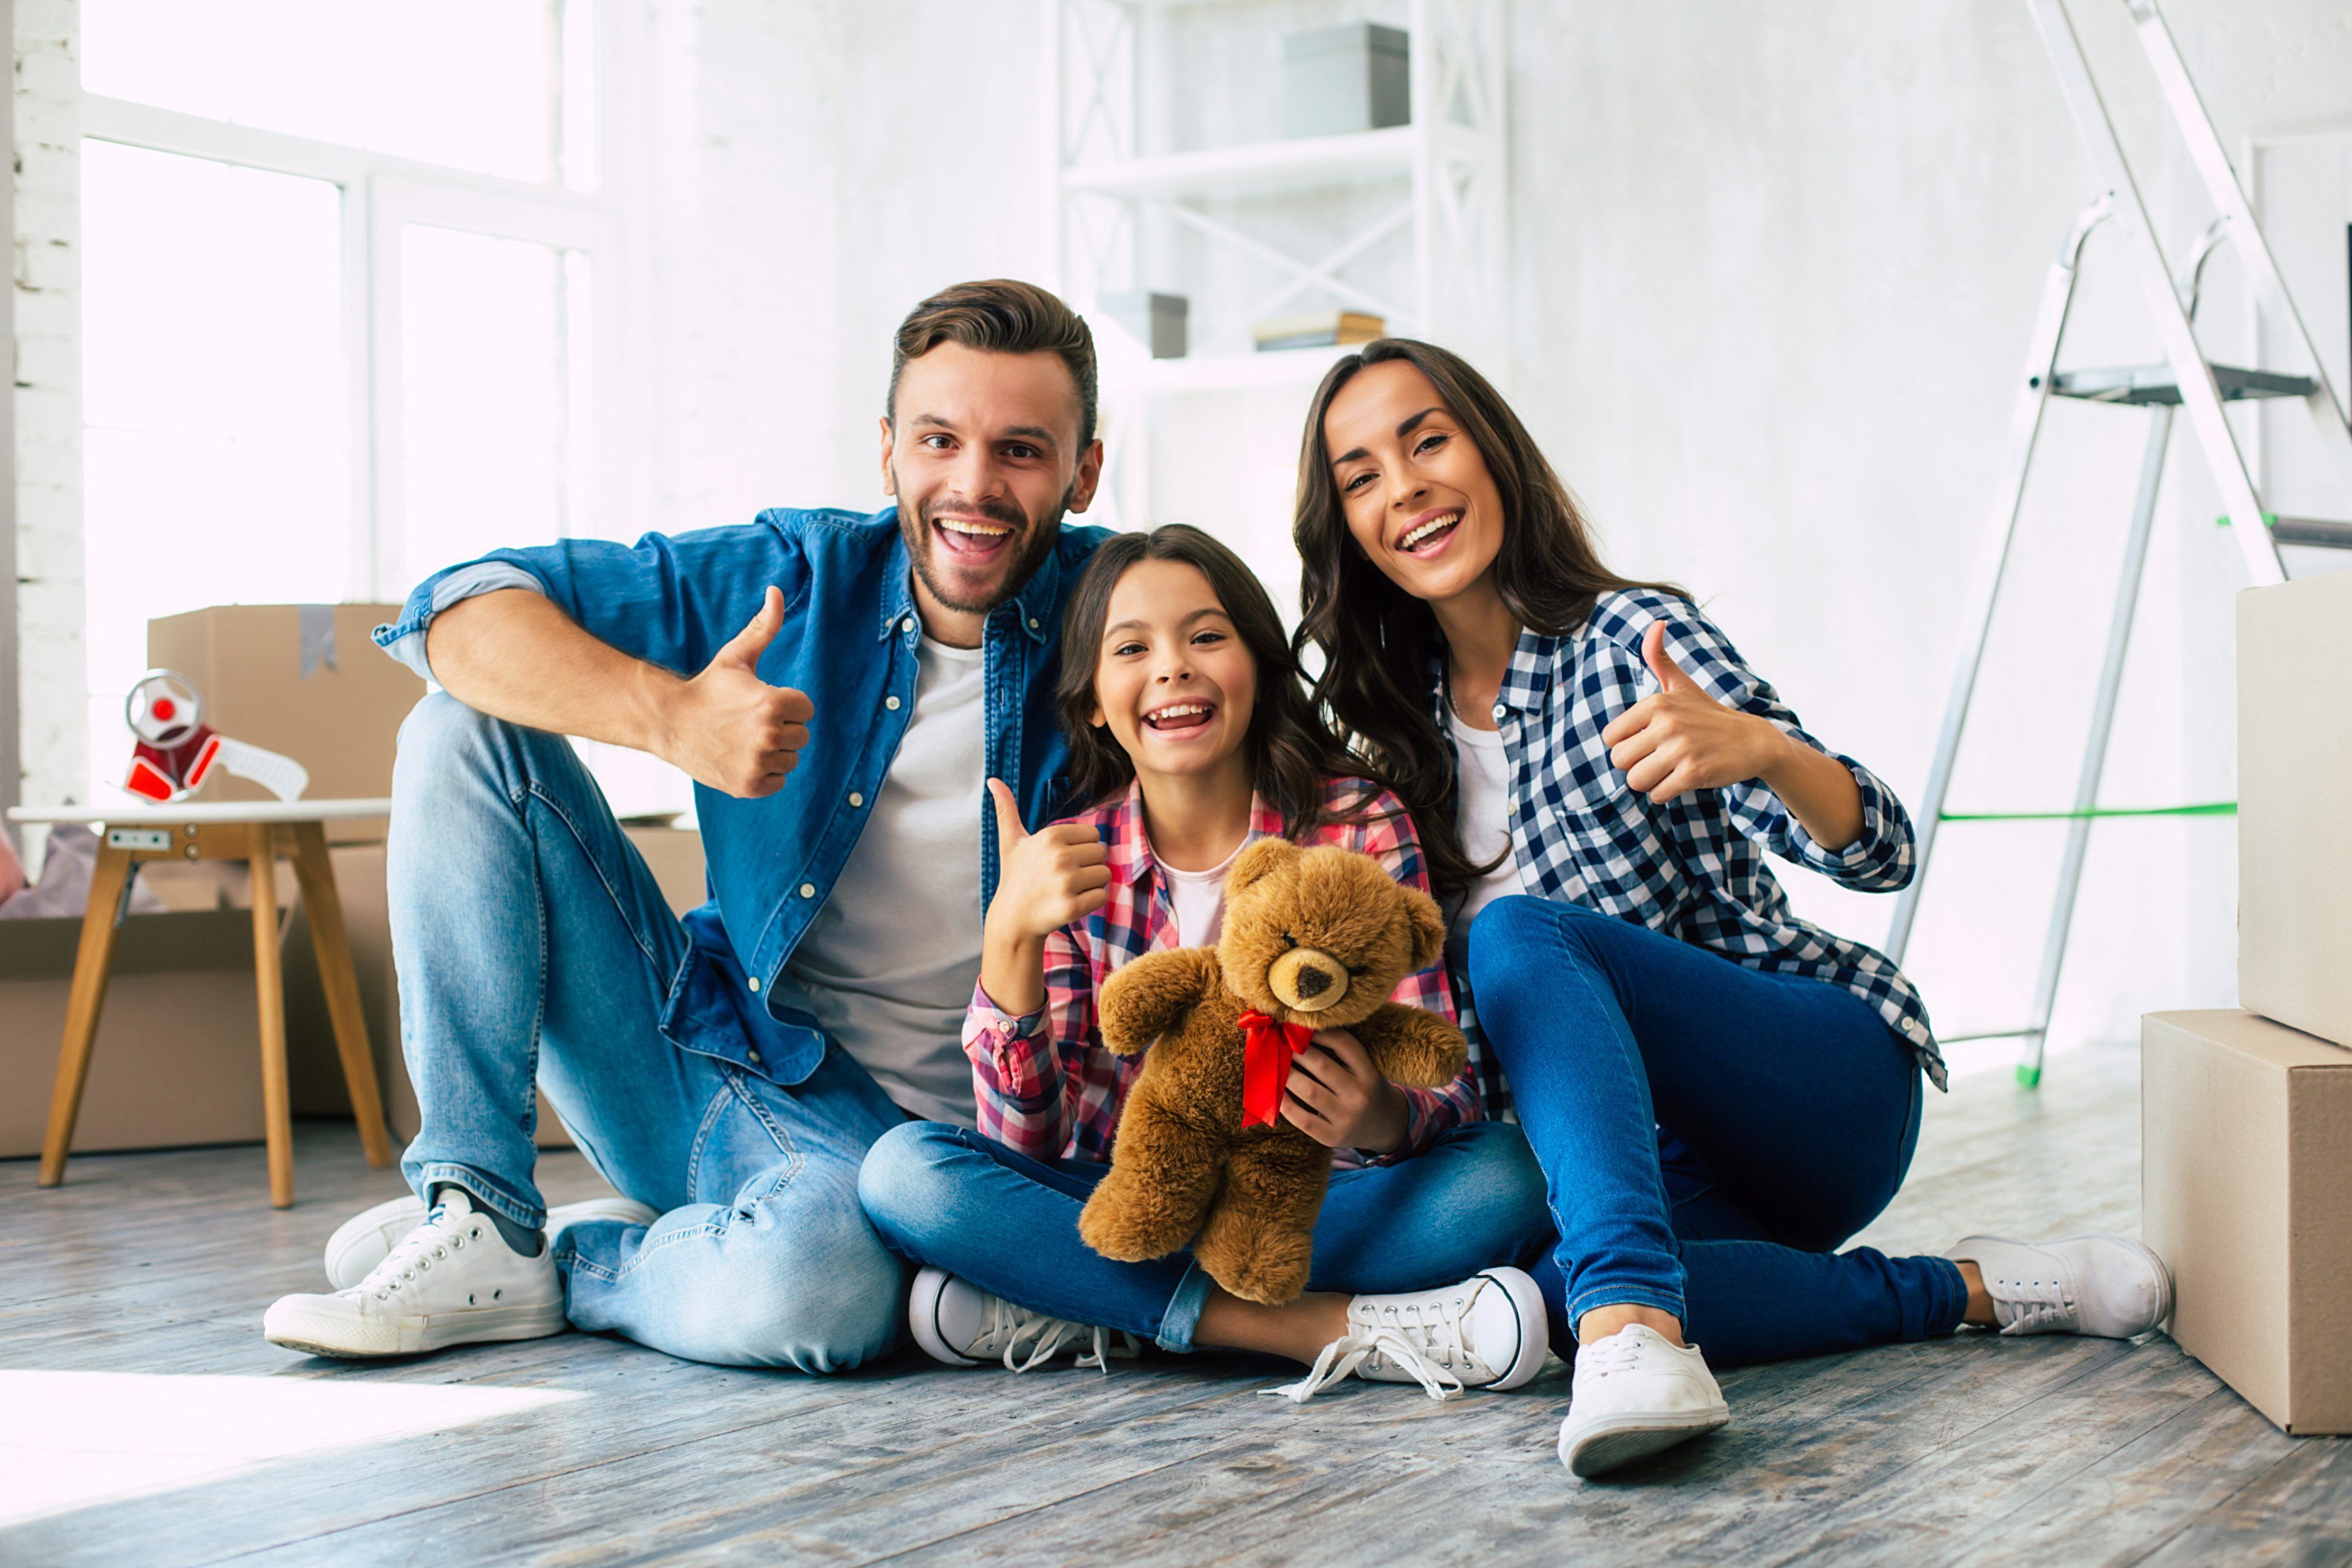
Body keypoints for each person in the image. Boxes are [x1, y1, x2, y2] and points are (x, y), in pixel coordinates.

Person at [1291, 339, 2173, 1476]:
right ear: (1347, 527)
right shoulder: (1386, 757)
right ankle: (1964, 1290)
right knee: (1530, 1294)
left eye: (1427, 441)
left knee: (1522, 933)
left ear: (1492, 450)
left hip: (1812, 1085)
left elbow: (1881, 851)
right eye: (1361, 475)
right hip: (1649, 1173)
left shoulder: (1628, 643)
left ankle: (1625, 1323)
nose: (1402, 486)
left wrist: (1761, 750)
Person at [262, 280, 1120, 1371]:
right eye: (939, 440)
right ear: (889, 451)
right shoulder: (795, 577)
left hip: (940, 1162)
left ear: (1085, 470)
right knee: (459, 730)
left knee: (817, 1291)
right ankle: (478, 1210)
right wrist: (669, 719)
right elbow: (457, 608)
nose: (973, 485)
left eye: (1021, 451)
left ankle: (575, 1261)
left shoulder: (1132, 620)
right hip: (705, 1065)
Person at [858, 525, 1554, 1400]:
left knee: (1504, 1181)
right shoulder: (1076, 860)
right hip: (1137, 1205)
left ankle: (1093, 1312)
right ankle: (1314, 1330)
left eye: (1206, 636)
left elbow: (1448, 1091)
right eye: (1133, 648)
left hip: (1316, 1211)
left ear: (1256, 667)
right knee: (905, 1176)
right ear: (1096, 704)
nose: (1173, 667)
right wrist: (1010, 944)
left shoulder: (1357, 825)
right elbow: (1023, 1147)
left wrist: (1377, 1115)